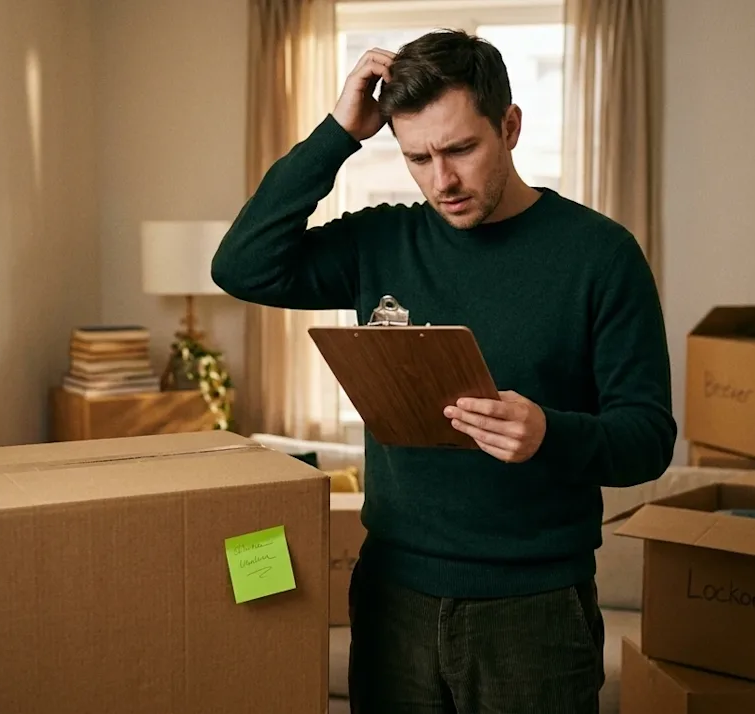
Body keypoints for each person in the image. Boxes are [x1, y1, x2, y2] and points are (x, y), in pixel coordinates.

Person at [212, 29, 675, 714]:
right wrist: (338, 134)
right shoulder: (382, 240)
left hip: (534, 612)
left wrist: (550, 433)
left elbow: (649, 439)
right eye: (418, 157)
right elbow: (241, 266)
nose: (442, 181)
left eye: (460, 149)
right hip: (392, 596)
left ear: (509, 127)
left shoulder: (601, 256)